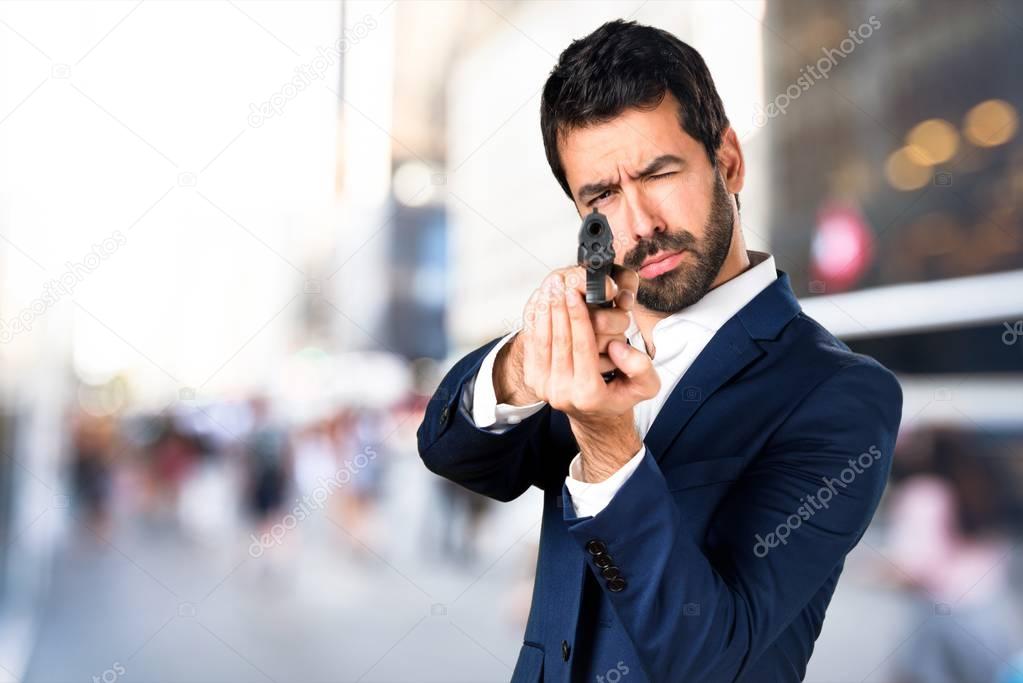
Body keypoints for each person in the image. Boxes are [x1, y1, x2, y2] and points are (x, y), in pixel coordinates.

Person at [417, 19, 903, 683]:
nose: (640, 223)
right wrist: (531, 358)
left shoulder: (841, 394)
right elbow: (450, 450)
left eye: (659, 172)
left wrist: (607, 445)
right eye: (603, 195)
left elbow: (711, 657)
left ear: (727, 159)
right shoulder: (590, 347)